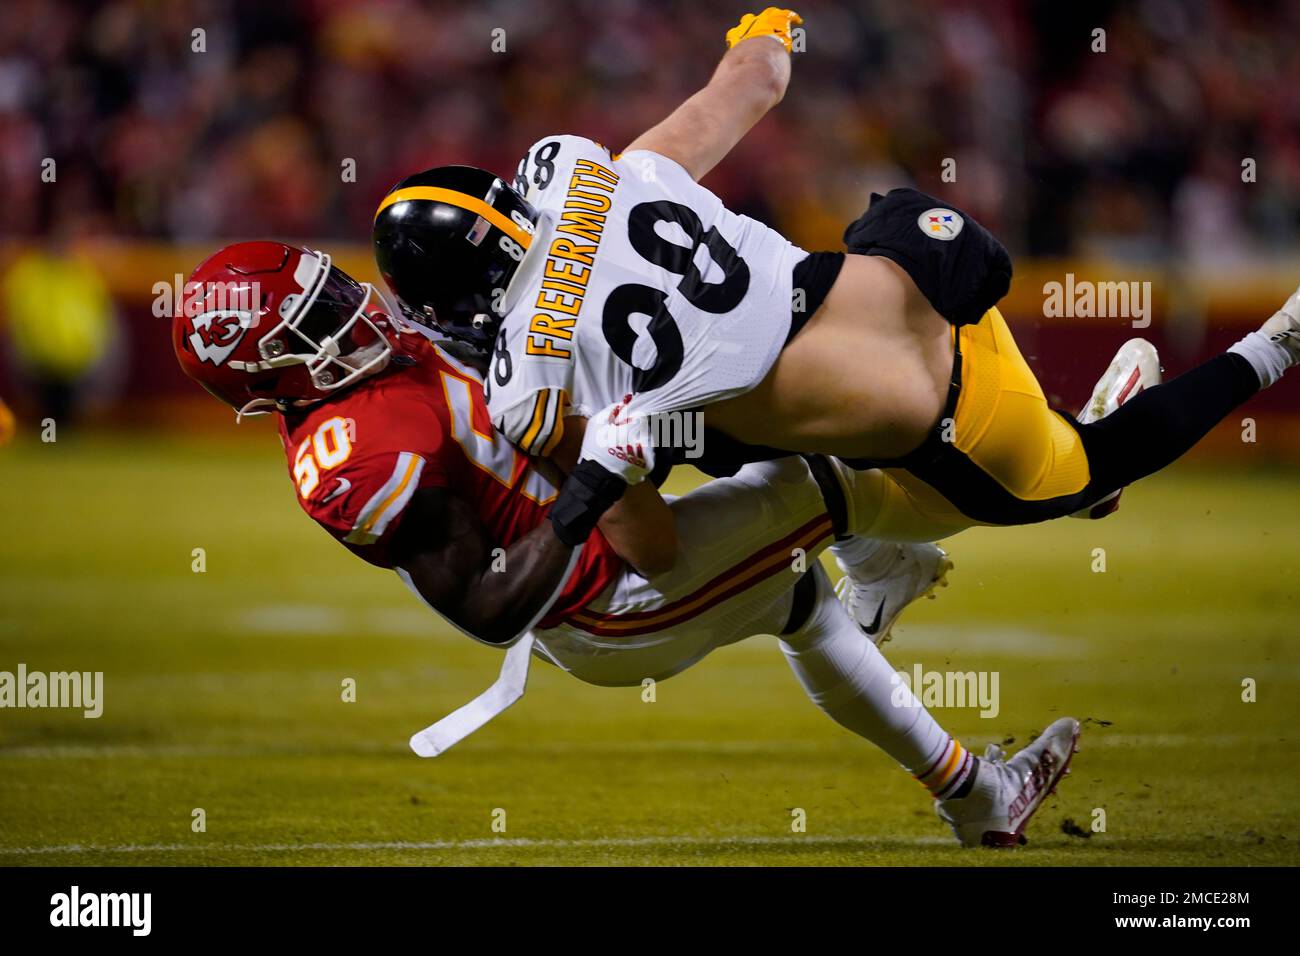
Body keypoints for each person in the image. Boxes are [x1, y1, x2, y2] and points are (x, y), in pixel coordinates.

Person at [370, 7, 1299, 631]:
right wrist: (771, 22)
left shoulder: (533, 385)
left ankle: (1272, 344)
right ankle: (909, 527)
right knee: (704, 408)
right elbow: (754, 82)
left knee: (1086, 472)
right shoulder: (586, 176)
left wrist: (595, 479)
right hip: (923, 256)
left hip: (943, 414)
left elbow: (653, 550)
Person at [171, 240, 1078, 847]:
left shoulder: (386, 353)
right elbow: (487, 606)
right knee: (823, 477)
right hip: (610, 602)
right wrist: (594, 479)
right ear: (271, 376)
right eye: (317, 320)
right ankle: (1070, 477)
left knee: (797, 597)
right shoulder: (352, 454)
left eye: (332, 288)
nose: (352, 308)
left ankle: (979, 798)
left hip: (611, 538)